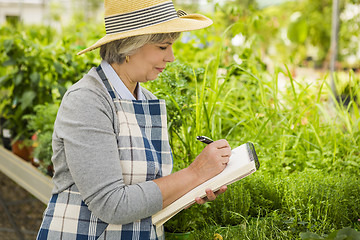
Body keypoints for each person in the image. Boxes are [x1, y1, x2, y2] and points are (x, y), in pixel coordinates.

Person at [37, 0, 231, 239]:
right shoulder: (87, 100)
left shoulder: (145, 98)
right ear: (129, 47)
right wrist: (194, 173)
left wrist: (193, 187)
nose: (171, 57)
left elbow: (148, 192)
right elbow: (112, 205)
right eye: (163, 47)